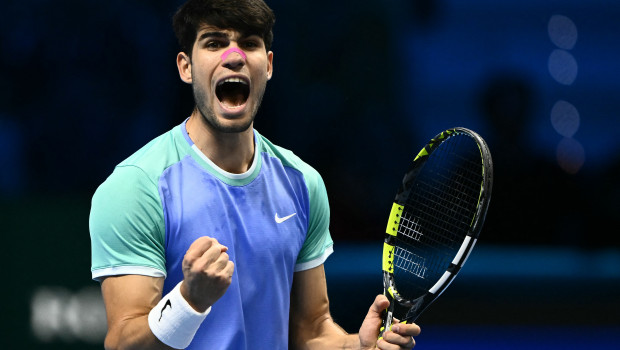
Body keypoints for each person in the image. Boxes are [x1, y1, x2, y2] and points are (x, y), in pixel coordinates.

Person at [89, 0, 421, 349]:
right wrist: (189, 301)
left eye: (249, 43)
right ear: (186, 68)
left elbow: (313, 331)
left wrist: (358, 346)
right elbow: (123, 343)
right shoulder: (136, 186)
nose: (234, 57)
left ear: (269, 66)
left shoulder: (303, 183)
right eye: (214, 43)